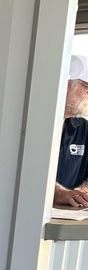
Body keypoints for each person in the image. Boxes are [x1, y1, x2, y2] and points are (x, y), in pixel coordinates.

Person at [54, 54, 88, 208]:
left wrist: (83, 192)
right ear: (66, 85)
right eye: (86, 87)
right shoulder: (30, 124)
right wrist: (56, 192)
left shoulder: (84, 128)